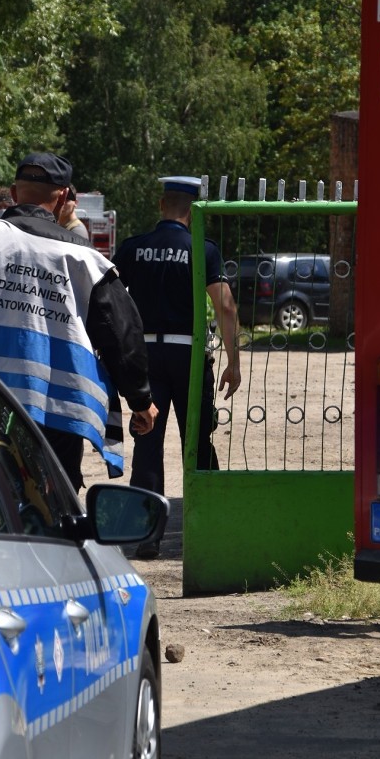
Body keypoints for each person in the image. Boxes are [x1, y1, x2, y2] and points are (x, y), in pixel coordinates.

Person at [0, 152, 157, 493]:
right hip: (57, 407)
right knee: (56, 497)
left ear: (14, 194)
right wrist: (140, 400)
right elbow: (122, 333)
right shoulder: (85, 258)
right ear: (64, 198)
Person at [112, 175, 241, 556]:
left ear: (160, 205)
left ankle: (148, 537)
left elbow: (112, 301)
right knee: (198, 443)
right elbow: (226, 307)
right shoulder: (203, 250)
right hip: (189, 356)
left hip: (146, 357)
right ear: (195, 211)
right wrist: (234, 362)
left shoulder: (134, 248)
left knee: (148, 444)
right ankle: (211, 531)